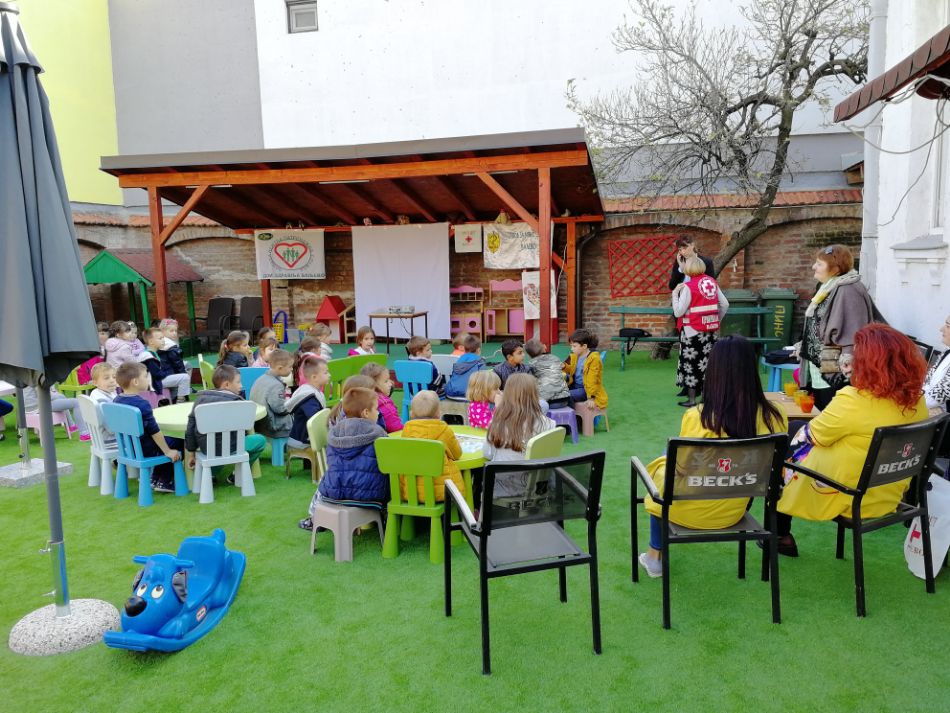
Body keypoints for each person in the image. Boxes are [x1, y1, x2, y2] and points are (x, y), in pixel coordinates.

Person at [637, 336, 787, 577]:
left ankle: (655, 556)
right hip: (734, 511)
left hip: (688, 510)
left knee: (661, 473)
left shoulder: (699, 416)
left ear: (714, 371)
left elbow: (683, 470)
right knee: (669, 462)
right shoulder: (775, 417)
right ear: (752, 369)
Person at [777, 324, 930, 554]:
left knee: (786, 441)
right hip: (889, 493)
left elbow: (812, 436)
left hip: (850, 496)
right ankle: (781, 534)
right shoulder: (917, 401)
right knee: (798, 432)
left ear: (868, 363)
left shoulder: (853, 400)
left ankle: (780, 534)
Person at [797, 244, 883, 411]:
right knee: (820, 409)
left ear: (835, 269)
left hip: (837, 368)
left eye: (819, 264)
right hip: (824, 363)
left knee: (829, 410)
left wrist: (848, 361)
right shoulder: (829, 286)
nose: (814, 267)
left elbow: (856, 332)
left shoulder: (848, 290)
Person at [304, 387, 389, 528]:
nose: (378, 412)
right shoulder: (378, 434)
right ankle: (389, 522)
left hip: (333, 493)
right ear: (366, 413)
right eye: (376, 409)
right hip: (369, 496)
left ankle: (315, 520)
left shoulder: (335, 432)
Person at [483, 373, 557, 497]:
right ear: (535, 395)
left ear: (506, 395)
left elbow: (487, 453)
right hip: (539, 490)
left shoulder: (497, 422)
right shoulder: (550, 424)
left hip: (503, 492)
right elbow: (550, 457)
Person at [113, 361, 182, 492]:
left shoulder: (117, 400)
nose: (147, 379)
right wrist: (168, 451)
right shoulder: (142, 404)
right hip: (145, 449)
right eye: (145, 376)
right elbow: (155, 432)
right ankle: (165, 481)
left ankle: (154, 478)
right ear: (135, 382)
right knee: (179, 443)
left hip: (130, 447)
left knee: (166, 441)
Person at [185, 364, 266, 475]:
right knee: (259, 440)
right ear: (227, 384)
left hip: (207, 449)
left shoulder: (199, 400)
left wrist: (191, 453)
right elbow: (246, 427)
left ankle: (211, 474)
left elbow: (190, 429)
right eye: (238, 382)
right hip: (233, 446)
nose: (241, 385)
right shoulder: (239, 403)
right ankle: (237, 474)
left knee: (215, 450)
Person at [671, 257, 728, 408]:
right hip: (710, 331)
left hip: (692, 331)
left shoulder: (689, 286)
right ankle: (705, 399)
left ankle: (691, 400)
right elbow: (725, 304)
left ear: (689, 269)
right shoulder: (712, 282)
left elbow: (678, 312)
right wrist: (716, 319)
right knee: (707, 364)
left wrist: (675, 294)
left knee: (691, 364)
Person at [400, 390, 464, 502]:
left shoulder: (407, 430)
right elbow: (457, 454)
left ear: (411, 414)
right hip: (442, 492)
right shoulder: (444, 430)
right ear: (438, 414)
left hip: (411, 492)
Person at [249, 348, 294, 440]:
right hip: (273, 427)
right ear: (280, 368)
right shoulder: (276, 385)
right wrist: (293, 405)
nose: (292, 369)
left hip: (259, 424)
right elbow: (280, 409)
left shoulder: (261, 378)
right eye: (290, 367)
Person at [22, 383, 91, 441]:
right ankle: (84, 433)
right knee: (76, 402)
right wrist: (55, 394)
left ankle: (71, 426)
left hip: (29, 407)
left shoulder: (30, 374)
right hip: (39, 406)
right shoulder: (38, 375)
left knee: (61, 397)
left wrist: (55, 394)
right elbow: (45, 395)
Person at [286, 357, 329, 450]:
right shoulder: (309, 398)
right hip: (301, 441)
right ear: (314, 377)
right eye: (326, 373)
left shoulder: (313, 391)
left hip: (304, 437)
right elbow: (316, 420)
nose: (329, 375)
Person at [139, 327, 191, 403]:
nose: (163, 340)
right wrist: (169, 373)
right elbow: (157, 374)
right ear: (151, 342)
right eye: (160, 338)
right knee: (184, 377)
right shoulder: (148, 356)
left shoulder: (152, 352)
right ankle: (180, 401)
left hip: (156, 381)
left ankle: (173, 401)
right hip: (153, 383)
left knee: (176, 379)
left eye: (163, 338)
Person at [563, 328, 608, 410]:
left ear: (584, 346)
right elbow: (571, 370)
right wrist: (564, 367)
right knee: (558, 392)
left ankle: (573, 417)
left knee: (566, 395)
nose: (571, 349)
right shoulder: (574, 355)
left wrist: (591, 397)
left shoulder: (594, 359)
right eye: (571, 346)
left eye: (574, 346)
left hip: (586, 390)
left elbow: (592, 379)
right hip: (574, 385)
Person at [525, 339, 570, 408]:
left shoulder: (531, 364)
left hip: (547, 401)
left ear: (528, 355)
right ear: (544, 348)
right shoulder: (555, 358)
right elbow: (562, 367)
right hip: (564, 399)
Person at [359, 362, 402, 433]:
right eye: (386, 381)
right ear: (374, 385)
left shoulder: (360, 397)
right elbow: (396, 427)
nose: (390, 384)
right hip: (382, 437)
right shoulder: (383, 402)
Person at [923, 313, 950, 414]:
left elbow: (938, 396)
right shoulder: (946, 352)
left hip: (943, 416)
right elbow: (927, 382)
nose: (941, 329)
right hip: (926, 402)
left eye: (948, 326)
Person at [446, 334, 486, 398]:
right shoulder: (480, 361)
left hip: (452, 392)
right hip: (471, 394)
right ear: (478, 350)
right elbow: (483, 380)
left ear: (464, 348)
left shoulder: (459, 359)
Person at [88, 362, 118, 448]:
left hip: (103, 437)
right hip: (110, 439)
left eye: (114, 377)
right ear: (95, 383)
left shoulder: (98, 392)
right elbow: (111, 429)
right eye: (106, 378)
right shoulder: (101, 401)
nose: (112, 380)